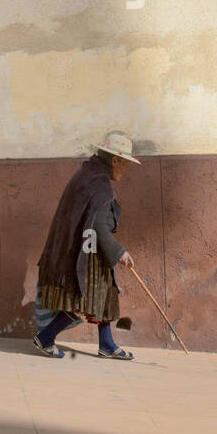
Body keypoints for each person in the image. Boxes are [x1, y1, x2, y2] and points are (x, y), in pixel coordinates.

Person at [33, 130, 140, 360]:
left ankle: (107, 344)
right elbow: (99, 227)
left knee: (105, 296)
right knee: (80, 300)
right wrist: (120, 252)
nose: (126, 169)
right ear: (115, 160)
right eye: (125, 164)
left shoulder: (88, 174)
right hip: (85, 254)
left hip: (83, 249)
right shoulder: (99, 185)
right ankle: (45, 339)